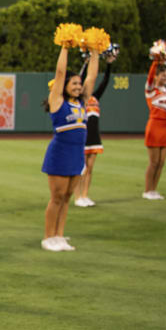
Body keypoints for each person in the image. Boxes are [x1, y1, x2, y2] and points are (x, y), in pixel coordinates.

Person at [41, 44, 95, 251]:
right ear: (64, 85)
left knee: (67, 197)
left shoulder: (81, 102)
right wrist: (64, 46)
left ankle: (60, 235)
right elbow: (60, 72)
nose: (78, 86)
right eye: (74, 83)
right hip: (60, 153)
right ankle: (48, 237)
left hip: (76, 155)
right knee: (57, 196)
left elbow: (92, 76)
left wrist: (96, 52)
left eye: (79, 84)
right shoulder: (57, 102)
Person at [73, 55, 111, 208]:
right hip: (83, 136)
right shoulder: (79, 100)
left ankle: (85, 195)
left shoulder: (95, 98)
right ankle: (77, 197)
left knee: (90, 168)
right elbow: (82, 78)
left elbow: (105, 82)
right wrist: (85, 63)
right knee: (81, 168)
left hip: (95, 136)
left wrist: (108, 65)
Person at [142, 50, 166, 199]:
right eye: (163, 75)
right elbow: (149, 77)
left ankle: (154, 189)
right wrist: (156, 61)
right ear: (156, 77)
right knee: (154, 162)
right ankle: (147, 190)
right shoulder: (151, 90)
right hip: (155, 126)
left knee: (162, 163)